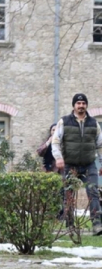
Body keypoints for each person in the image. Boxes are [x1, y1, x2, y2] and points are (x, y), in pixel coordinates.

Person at [52, 93, 102, 235]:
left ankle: (97, 225)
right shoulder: (64, 121)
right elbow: (55, 141)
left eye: (83, 103)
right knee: (68, 194)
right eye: (78, 103)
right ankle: (70, 225)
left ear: (86, 105)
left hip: (89, 165)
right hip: (70, 164)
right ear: (74, 105)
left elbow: (100, 145)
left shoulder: (94, 123)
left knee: (93, 192)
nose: (81, 106)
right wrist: (58, 158)